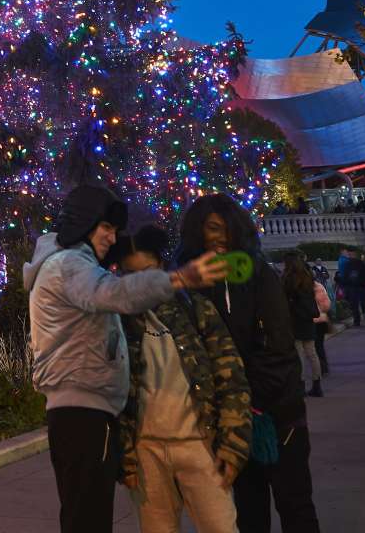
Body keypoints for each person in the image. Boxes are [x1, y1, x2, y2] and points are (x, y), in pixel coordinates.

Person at [22, 184, 229, 533]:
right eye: (106, 227)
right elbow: (114, 293)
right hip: (83, 413)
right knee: (88, 519)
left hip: (81, 412)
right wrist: (178, 278)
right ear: (85, 223)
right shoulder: (70, 263)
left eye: (114, 230)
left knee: (83, 515)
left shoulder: (64, 264)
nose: (111, 236)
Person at [178, 195, 321, 533]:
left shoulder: (259, 275)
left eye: (227, 229)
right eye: (213, 229)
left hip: (277, 414)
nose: (220, 237)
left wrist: (247, 399)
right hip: (229, 420)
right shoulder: (189, 285)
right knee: (248, 509)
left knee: (295, 503)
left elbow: (278, 348)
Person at [116, 225, 251, 533]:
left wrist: (233, 444)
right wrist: (125, 456)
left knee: (220, 526)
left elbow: (231, 376)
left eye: (148, 272)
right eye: (130, 276)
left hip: (199, 445)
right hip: (146, 451)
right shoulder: (119, 320)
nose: (141, 284)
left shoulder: (194, 308)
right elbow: (113, 393)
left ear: (162, 267)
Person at [281, 254, 323, 397]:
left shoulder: (289, 279)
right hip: (307, 318)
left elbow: (284, 298)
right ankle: (317, 384)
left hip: (295, 319)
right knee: (311, 353)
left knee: (299, 354)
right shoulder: (307, 277)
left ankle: (301, 384)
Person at [311, 270, 331, 376]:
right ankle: (323, 368)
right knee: (319, 346)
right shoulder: (319, 287)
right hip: (321, 320)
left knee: (314, 347)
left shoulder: (304, 288)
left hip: (312, 321)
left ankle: (320, 369)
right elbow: (327, 304)